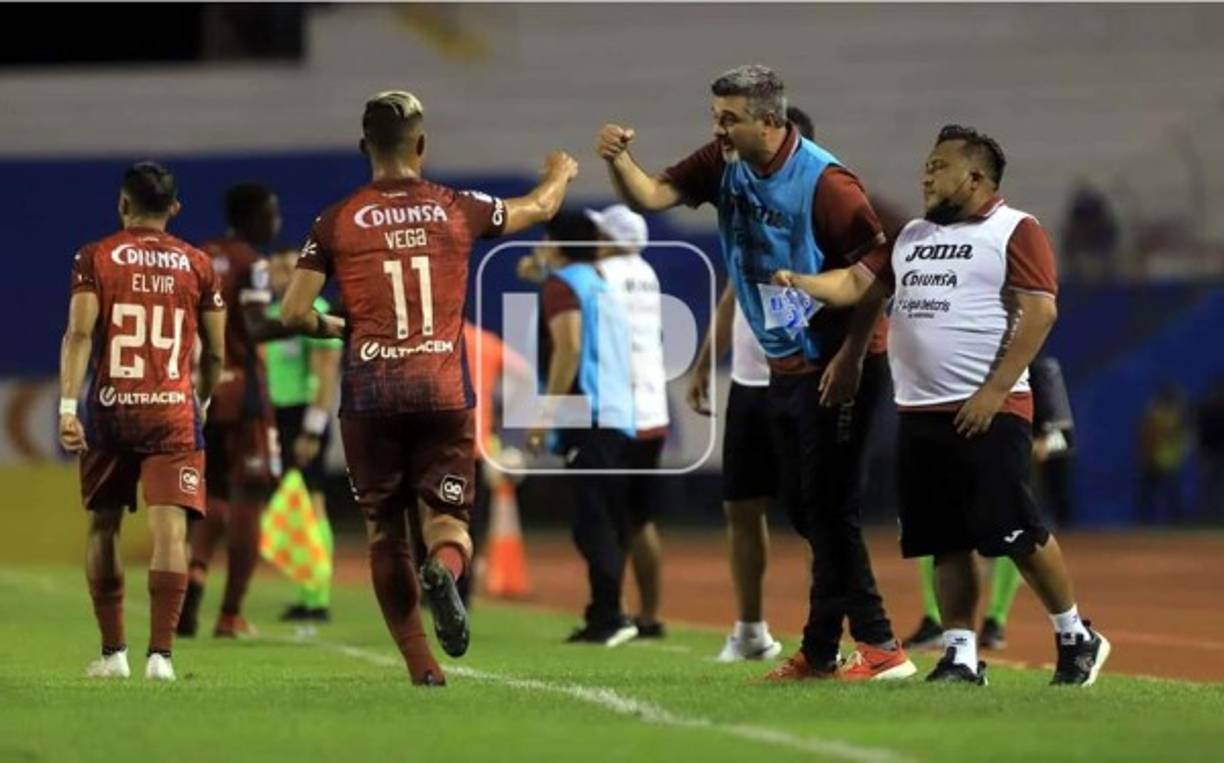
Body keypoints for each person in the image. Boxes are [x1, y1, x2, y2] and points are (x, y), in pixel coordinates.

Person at [598, 64, 913, 681]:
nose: (717, 129)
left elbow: (879, 273)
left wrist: (850, 359)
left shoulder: (828, 183)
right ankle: (823, 652)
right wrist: (619, 161)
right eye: (715, 116)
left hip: (837, 357)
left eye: (729, 118)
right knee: (805, 510)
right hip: (784, 360)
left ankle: (879, 646)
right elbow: (653, 194)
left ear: (770, 122)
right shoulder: (724, 162)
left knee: (829, 510)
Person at [777, 124, 1111, 686]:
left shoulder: (1016, 230)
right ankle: (960, 653)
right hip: (919, 412)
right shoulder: (909, 235)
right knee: (944, 540)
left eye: (939, 165)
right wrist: (802, 281)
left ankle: (1076, 635)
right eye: (926, 165)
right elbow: (857, 288)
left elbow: (1040, 313)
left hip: (989, 408)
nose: (926, 174)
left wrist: (995, 391)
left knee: (1016, 532)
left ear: (976, 176)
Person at [280, 90, 578, 686]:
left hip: (371, 394)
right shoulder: (456, 206)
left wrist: (338, 325)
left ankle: (422, 665)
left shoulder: (335, 219)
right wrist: (559, 173)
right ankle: (443, 568)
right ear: (421, 145)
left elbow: (292, 314)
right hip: (442, 390)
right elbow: (539, 209)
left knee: (385, 530)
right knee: (447, 520)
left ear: (365, 147)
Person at [59, 161, 226, 681]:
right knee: (170, 528)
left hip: (112, 408)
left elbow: (80, 336)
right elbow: (217, 351)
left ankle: (113, 655)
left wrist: (68, 407)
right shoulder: (198, 264)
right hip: (172, 411)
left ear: (123, 204)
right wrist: (203, 399)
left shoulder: (97, 257)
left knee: (104, 524)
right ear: (174, 208)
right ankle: (162, 657)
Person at [179, 182, 292, 639]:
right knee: (249, 498)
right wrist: (309, 321)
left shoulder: (198, 256)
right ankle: (230, 614)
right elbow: (257, 326)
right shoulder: (253, 263)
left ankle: (195, 573)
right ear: (251, 217)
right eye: (271, 213)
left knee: (215, 495)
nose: (276, 222)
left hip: (200, 390)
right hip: (243, 391)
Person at [903, 355, 1077, 652]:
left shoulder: (1041, 368)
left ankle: (997, 620)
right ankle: (935, 620)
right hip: (962, 453)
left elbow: (1064, 438)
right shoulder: (959, 356)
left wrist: (1038, 447)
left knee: (1010, 537)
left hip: (1010, 460)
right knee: (936, 530)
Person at [525, 211, 639, 647]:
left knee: (591, 522)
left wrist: (545, 414)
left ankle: (611, 615)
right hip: (617, 412)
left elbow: (569, 347)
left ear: (555, 243)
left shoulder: (563, 287)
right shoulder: (601, 285)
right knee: (606, 518)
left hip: (586, 414)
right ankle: (602, 612)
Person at [587, 204, 670, 638]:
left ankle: (614, 611)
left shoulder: (605, 275)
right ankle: (651, 614)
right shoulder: (647, 274)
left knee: (607, 515)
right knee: (642, 518)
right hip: (652, 410)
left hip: (618, 410)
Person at [264, 247, 343, 622]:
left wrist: (313, 428)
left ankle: (318, 596)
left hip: (304, 416)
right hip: (279, 416)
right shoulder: (269, 314)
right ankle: (305, 590)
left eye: (285, 265)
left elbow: (326, 371)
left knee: (313, 501)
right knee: (296, 505)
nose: (278, 272)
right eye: (274, 265)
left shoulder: (317, 309)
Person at [1136, 384, 1191, 524]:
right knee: (1152, 495)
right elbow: (1146, 436)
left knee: (1167, 495)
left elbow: (1183, 437)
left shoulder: (1171, 414)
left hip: (1166, 461)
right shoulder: (1158, 414)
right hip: (1156, 460)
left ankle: (1173, 520)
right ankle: (1147, 521)